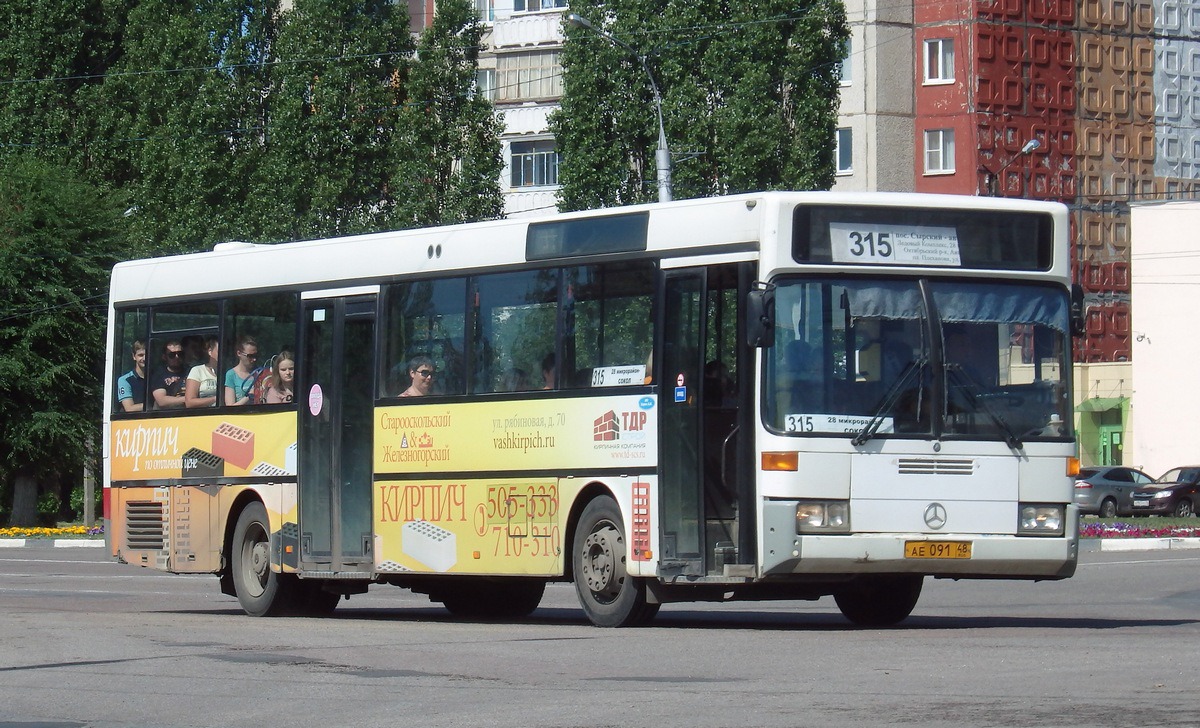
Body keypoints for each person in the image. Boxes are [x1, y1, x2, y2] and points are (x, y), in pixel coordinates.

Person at [151, 340, 188, 409]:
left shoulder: (191, 371)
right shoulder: (158, 375)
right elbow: (161, 401)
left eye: (180, 354)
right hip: (168, 416)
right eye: (172, 355)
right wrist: (189, 399)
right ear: (164, 357)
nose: (177, 357)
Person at [225, 335, 259, 406]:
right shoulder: (231, 375)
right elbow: (230, 408)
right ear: (239, 353)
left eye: (255, 355)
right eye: (250, 356)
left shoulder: (259, 373)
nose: (254, 359)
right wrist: (249, 396)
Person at [185, 336, 219, 408]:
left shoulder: (229, 372)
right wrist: (216, 399)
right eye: (220, 351)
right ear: (210, 351)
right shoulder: (197, 370)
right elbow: (189, 402)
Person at [116, 340, 147, 412]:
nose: (144, 359)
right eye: (141, 355)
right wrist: (153, 406)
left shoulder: (156, 377)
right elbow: (129, 408)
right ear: (134, 356)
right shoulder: (124, 380)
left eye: (147, 355)